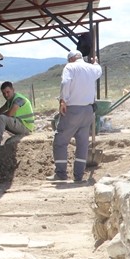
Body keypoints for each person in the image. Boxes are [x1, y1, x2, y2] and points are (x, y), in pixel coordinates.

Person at [53, 50, 103, 183]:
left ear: (71, 59)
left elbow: (65, 82)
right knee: (82, 144)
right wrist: (96, 62)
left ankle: (61, 173)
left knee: (60, 140)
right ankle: (79, 176)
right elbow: (99, 70)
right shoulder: (92, 68)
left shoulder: (70, 67)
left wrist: (63, 100)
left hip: (73, 109)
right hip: (88, 110)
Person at [0, 81, 35, 147]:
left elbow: (9, 114)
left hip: (26, 127)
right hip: (19, 124)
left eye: (8, 92)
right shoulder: (10, 101)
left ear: (13, 90)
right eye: (4, 93)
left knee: (2, 118)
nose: (6, 95)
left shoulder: (18, 99)